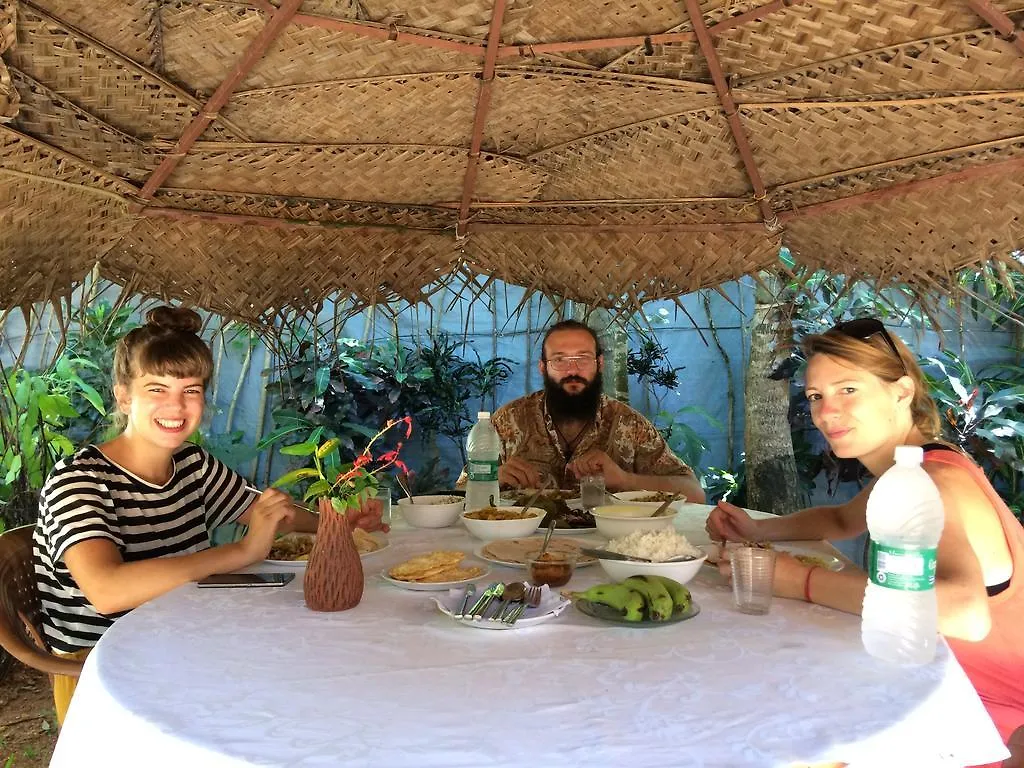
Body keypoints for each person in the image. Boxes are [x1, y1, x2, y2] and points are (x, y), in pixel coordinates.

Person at [32, 306, 386, 725]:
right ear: (124, 396)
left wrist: (339, 519)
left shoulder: (192, 465)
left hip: (183, 639)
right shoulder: (80, 480)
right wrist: (242, 552)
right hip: (105, 668)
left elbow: (269, 512)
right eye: (157, 389)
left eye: (191, 390)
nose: (176, 406)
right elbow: (107, 591)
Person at [704, 318, 1023, 767]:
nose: (826, 412)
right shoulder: (915, 467)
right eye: (816, 396)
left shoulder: (935, 481)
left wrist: (799, 581)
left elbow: (966, 614)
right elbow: (839, 519)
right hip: (929, 683)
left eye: (848, 390)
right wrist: (758, 531)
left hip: (976, 719)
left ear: (902, 391)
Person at [492, 320, 704, 501]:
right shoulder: (507, 421)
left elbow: (694, 493)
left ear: (599, 364)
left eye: (583, 358)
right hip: (524, 543)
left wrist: (625, 480)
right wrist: (494, 478)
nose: (572, 370)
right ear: (542, 367)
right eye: (559, 360)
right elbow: (462, 491)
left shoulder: (629, 424)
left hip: (610, 545)